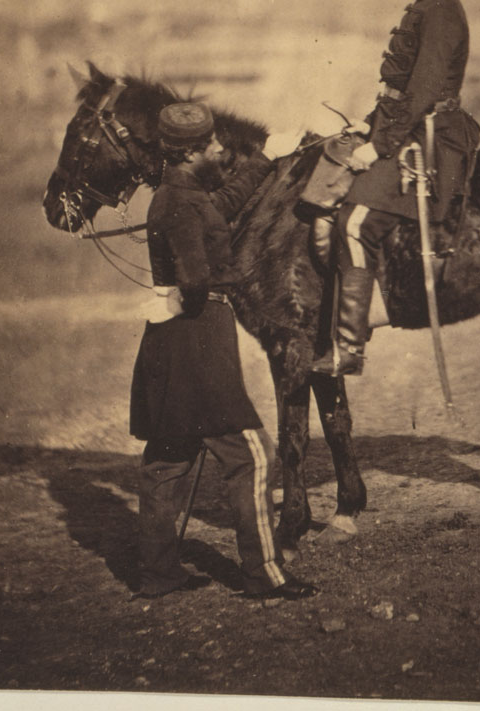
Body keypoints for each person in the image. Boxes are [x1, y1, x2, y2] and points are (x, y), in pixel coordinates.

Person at [130, 101, 317, 600]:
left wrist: (269, 158)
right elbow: (194, 279)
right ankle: (263, 574)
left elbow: (222, 208)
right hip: (198, 335)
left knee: (167, 459)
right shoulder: (182, 204)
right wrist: (225, 279)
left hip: (169, 342)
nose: (218, 149)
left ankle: (157, 574)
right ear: (192, 152)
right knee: (253, 456)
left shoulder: (180, 192)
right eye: (210, 145)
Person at [311, 0, 480, 376]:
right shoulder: (426, 6)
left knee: (354, 222)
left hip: (429, 140)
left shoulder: (442, 12)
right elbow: (399, 89)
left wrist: (379, 146)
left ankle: (349, 345)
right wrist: (368, 127)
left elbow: (423, 91)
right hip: (403, 127)